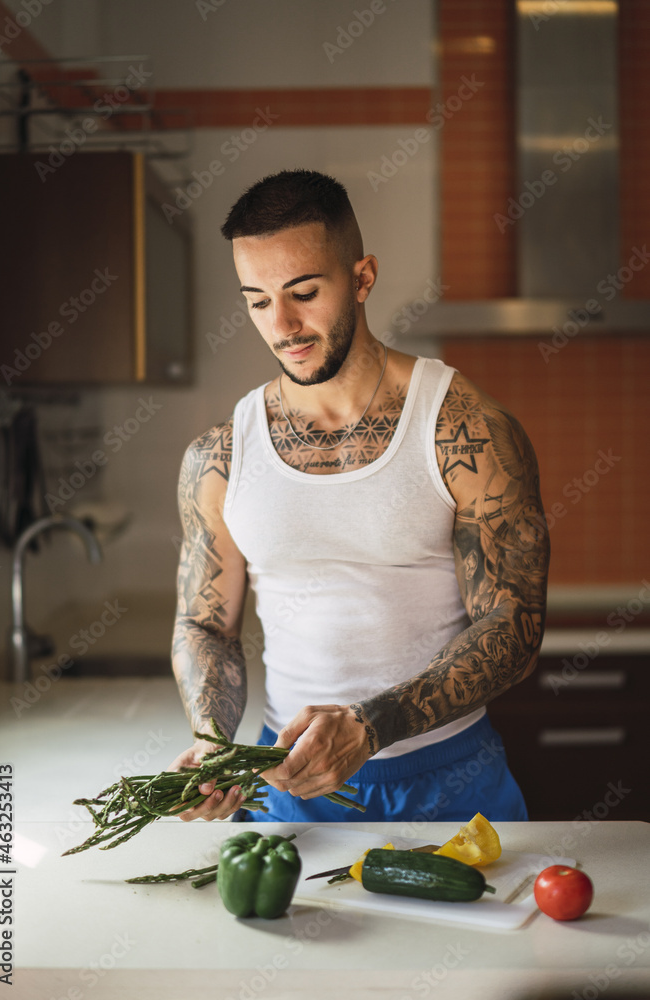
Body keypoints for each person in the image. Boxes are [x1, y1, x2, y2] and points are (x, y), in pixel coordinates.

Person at [168, 168, 550, 825]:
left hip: (448, 784)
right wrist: (211, 741)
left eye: (304, 292)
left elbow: (512, 625)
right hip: (285, 790)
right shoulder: (219, 457)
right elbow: (205, 622)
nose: (281, 323)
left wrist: (370, 727)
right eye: (256, 300)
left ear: (362, 277)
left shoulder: (466, 430)